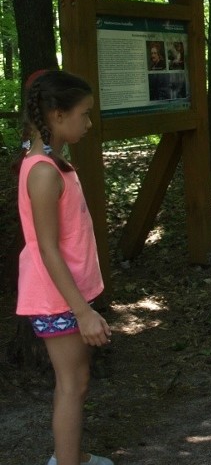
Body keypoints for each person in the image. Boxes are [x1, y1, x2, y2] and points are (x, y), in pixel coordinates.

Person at [16, 71, 114, 465]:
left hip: (66, 295)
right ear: (57, 115)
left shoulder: (51, 162)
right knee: (73, 384)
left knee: (76, 381)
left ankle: (73, 455)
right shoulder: (41, 171)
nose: (89, 123)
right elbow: (47, 249)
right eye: (84, 114)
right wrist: (82, 310)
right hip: (56, 298)